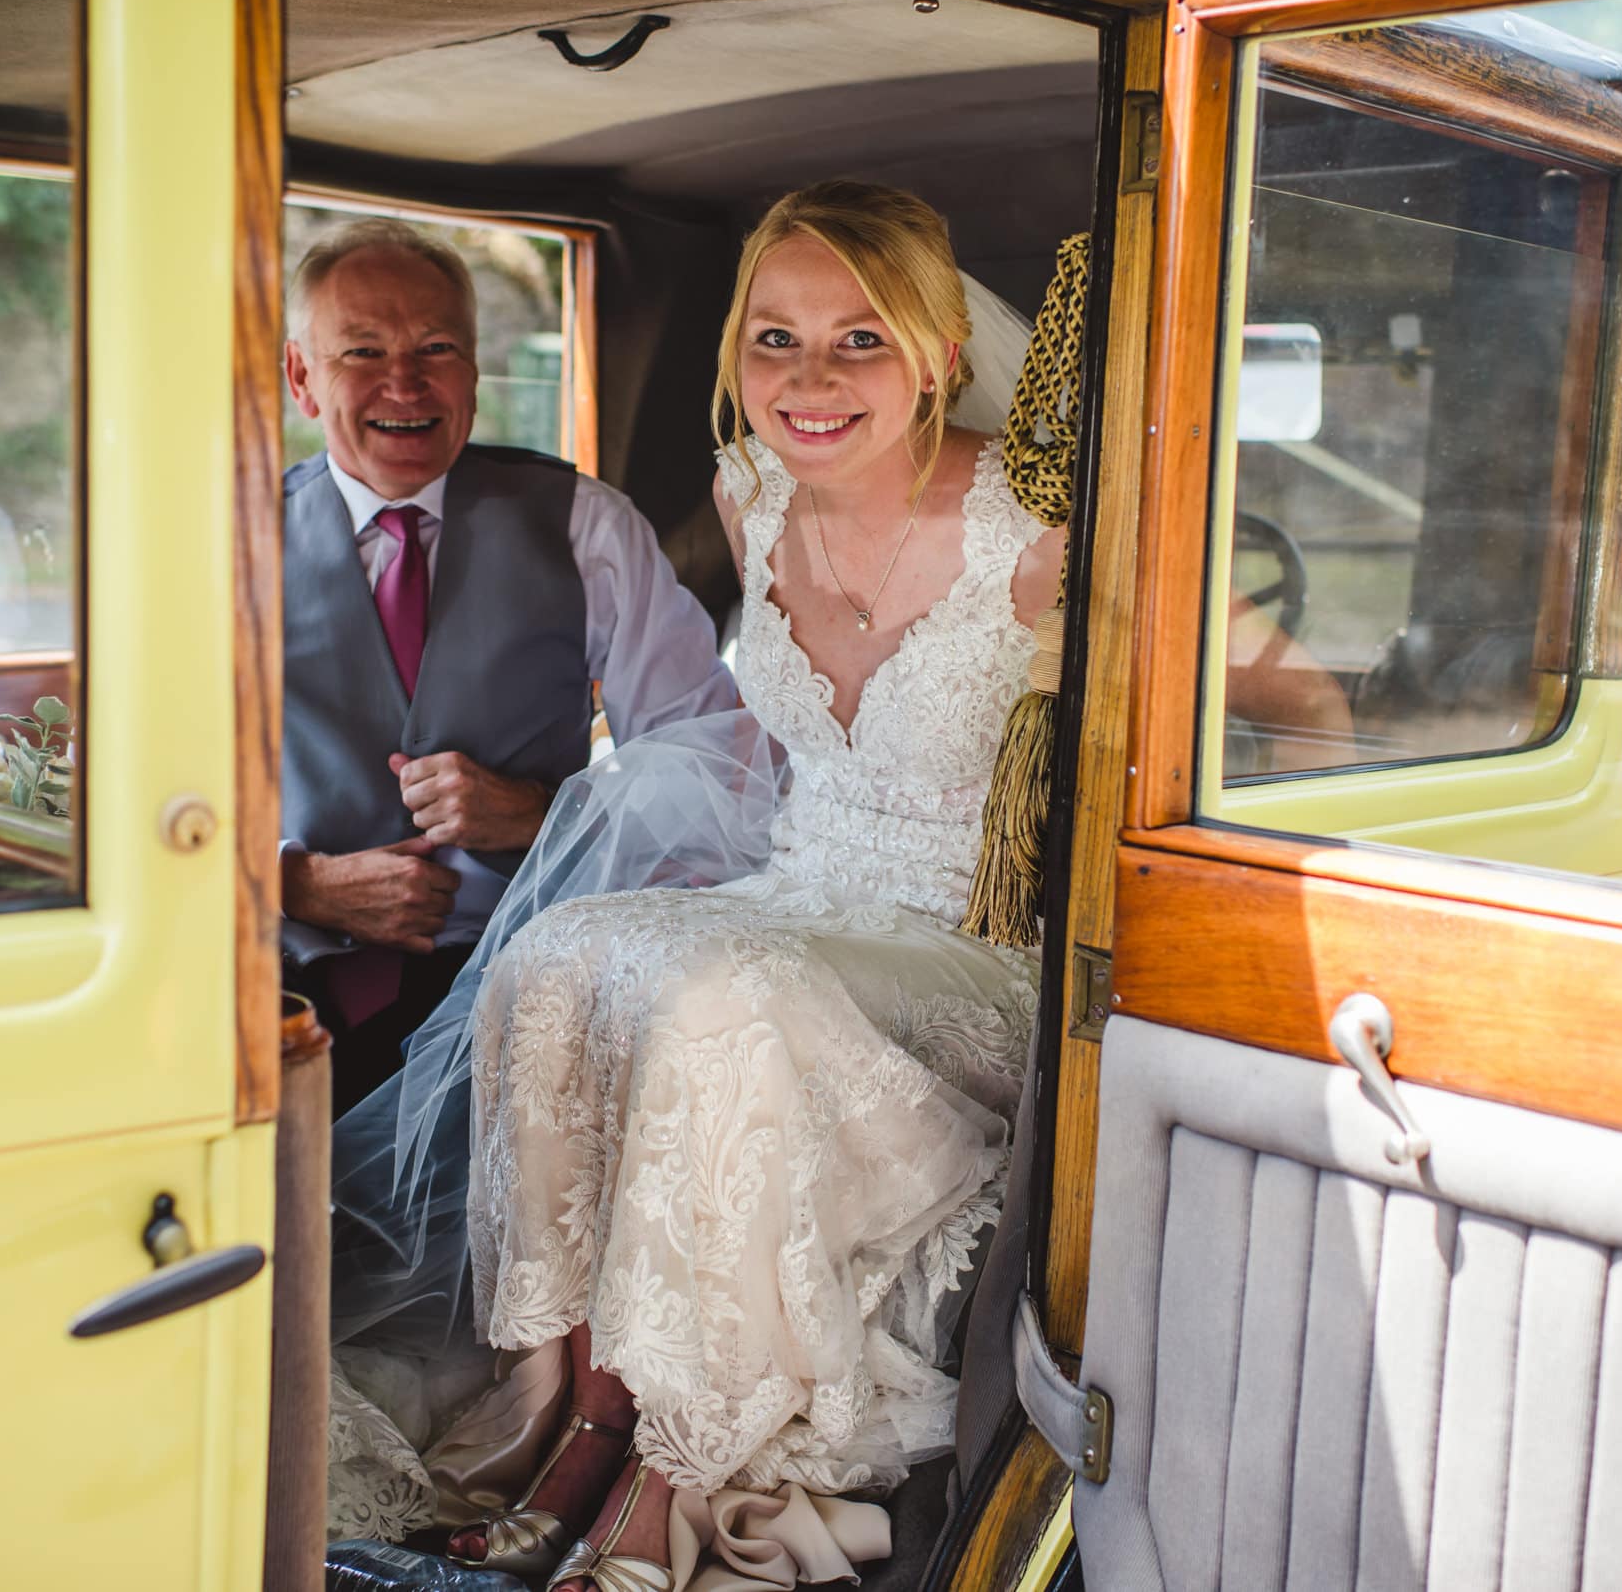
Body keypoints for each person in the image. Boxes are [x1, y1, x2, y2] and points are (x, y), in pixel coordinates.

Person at [404, 179, 1064, 1591]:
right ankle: (575, 1417)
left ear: (942, 353)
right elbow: (760, 753)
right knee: (559, 956)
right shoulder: (747, 497)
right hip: (800, 884)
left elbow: (1274, 687)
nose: (809, 383)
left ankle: (672, 1483)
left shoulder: (1038, 533)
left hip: (967, 946)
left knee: (719, 999)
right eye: (776, 340)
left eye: (861, 342)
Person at [279, 217, 734, 1111]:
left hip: (536, 986)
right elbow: (138, 799)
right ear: (302, 377)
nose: (403, 382)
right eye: (362, 351)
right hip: (287, 996)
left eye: (437, 347)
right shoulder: (219, 539)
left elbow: (708, 765)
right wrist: (300, 883)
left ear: (474, 370)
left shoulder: (587, 524)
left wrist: (545, 813)